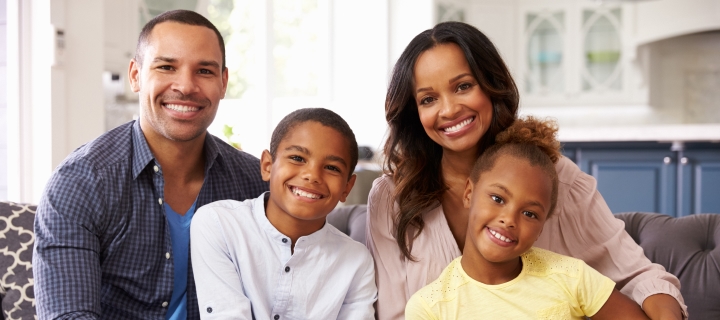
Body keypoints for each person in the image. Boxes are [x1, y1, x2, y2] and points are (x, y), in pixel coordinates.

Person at [366, 21, 687, 320]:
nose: (449, 109)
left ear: (492, 86)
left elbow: (637, 276)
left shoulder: (554, 175)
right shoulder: (391, 199)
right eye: (428, 99)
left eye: (463, 86)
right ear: (414, 112)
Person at [33, 10, 268, 319]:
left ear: (223, 82)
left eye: (205, 71)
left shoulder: (253, 184)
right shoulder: (81, 183)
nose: (185, 86)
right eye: (166, 66)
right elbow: (69, 315)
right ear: (135, 76)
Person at [405, 117, 650, 319]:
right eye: (498, 199)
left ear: (542, 227)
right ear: (469, 193)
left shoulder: (572, 277)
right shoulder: (430, 307)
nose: (509, 219)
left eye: (529, 213)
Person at [190, 108, 377, 319]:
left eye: (332, 168)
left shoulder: (357, 261)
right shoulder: (219, 225)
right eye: (297, 158)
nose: (312, 175)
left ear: (347, 187)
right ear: (267, 166)